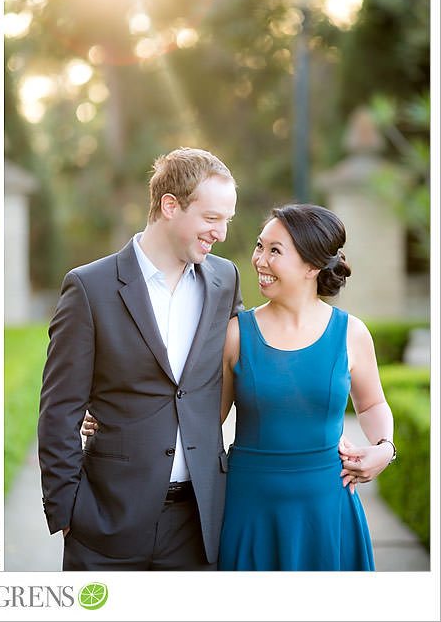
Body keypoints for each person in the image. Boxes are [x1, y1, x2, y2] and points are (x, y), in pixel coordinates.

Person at [38, 147, 243, 570]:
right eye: (211, 218)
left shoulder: (225, 279)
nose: (220, 233)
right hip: (105, 521)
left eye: (227, 220)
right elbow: (59, 410)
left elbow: (250, 372)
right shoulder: (89, 288)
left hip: (199, 522)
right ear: (170, 205)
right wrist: (68, 512)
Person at [216, 203, 394, 570]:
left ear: (312, 267)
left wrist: (384, 449)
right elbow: (201, 423)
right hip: (250, 509)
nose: (260, 260)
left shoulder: (352, 333)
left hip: (328, 508)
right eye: (260, 246)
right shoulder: (236, 334)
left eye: (275, 251)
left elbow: (373, 405)